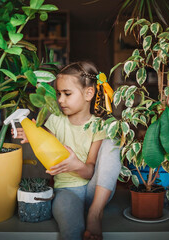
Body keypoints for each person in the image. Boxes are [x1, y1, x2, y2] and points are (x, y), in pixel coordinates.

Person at [12, 61, 121, 240]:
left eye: (67, 94)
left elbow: (89, 171)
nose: (60, 100)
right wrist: (31, 134)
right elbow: (44, 144)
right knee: (71, 229)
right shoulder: (56, 120)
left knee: (113, 142)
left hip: (96, 190)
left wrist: (75, 164)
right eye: (58, 94)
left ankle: (95, 213)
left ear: (89, 93)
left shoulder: (99, 125)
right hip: (67, 191)